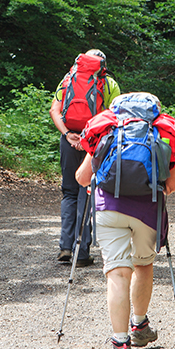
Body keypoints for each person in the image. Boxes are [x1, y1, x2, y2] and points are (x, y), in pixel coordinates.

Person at [75, 92, 175, 349]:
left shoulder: (106, 128)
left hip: (108, 210)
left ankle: (120, 344)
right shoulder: (160, 132)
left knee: (117, 273)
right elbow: (172, 184)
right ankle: (139, 327)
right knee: (143, 265)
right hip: (146, 212)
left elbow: (81, 178)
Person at [49, 49, 120, 267]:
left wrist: (67, 134)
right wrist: (90, 139)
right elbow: (115, 116)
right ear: (103, 64)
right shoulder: (109, 84)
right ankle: (81, 253)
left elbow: (54, 110)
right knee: (86, 192)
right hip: (94, 142)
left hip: (68, 138)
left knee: (69, 191)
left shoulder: (68, 79)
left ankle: (65, 247)